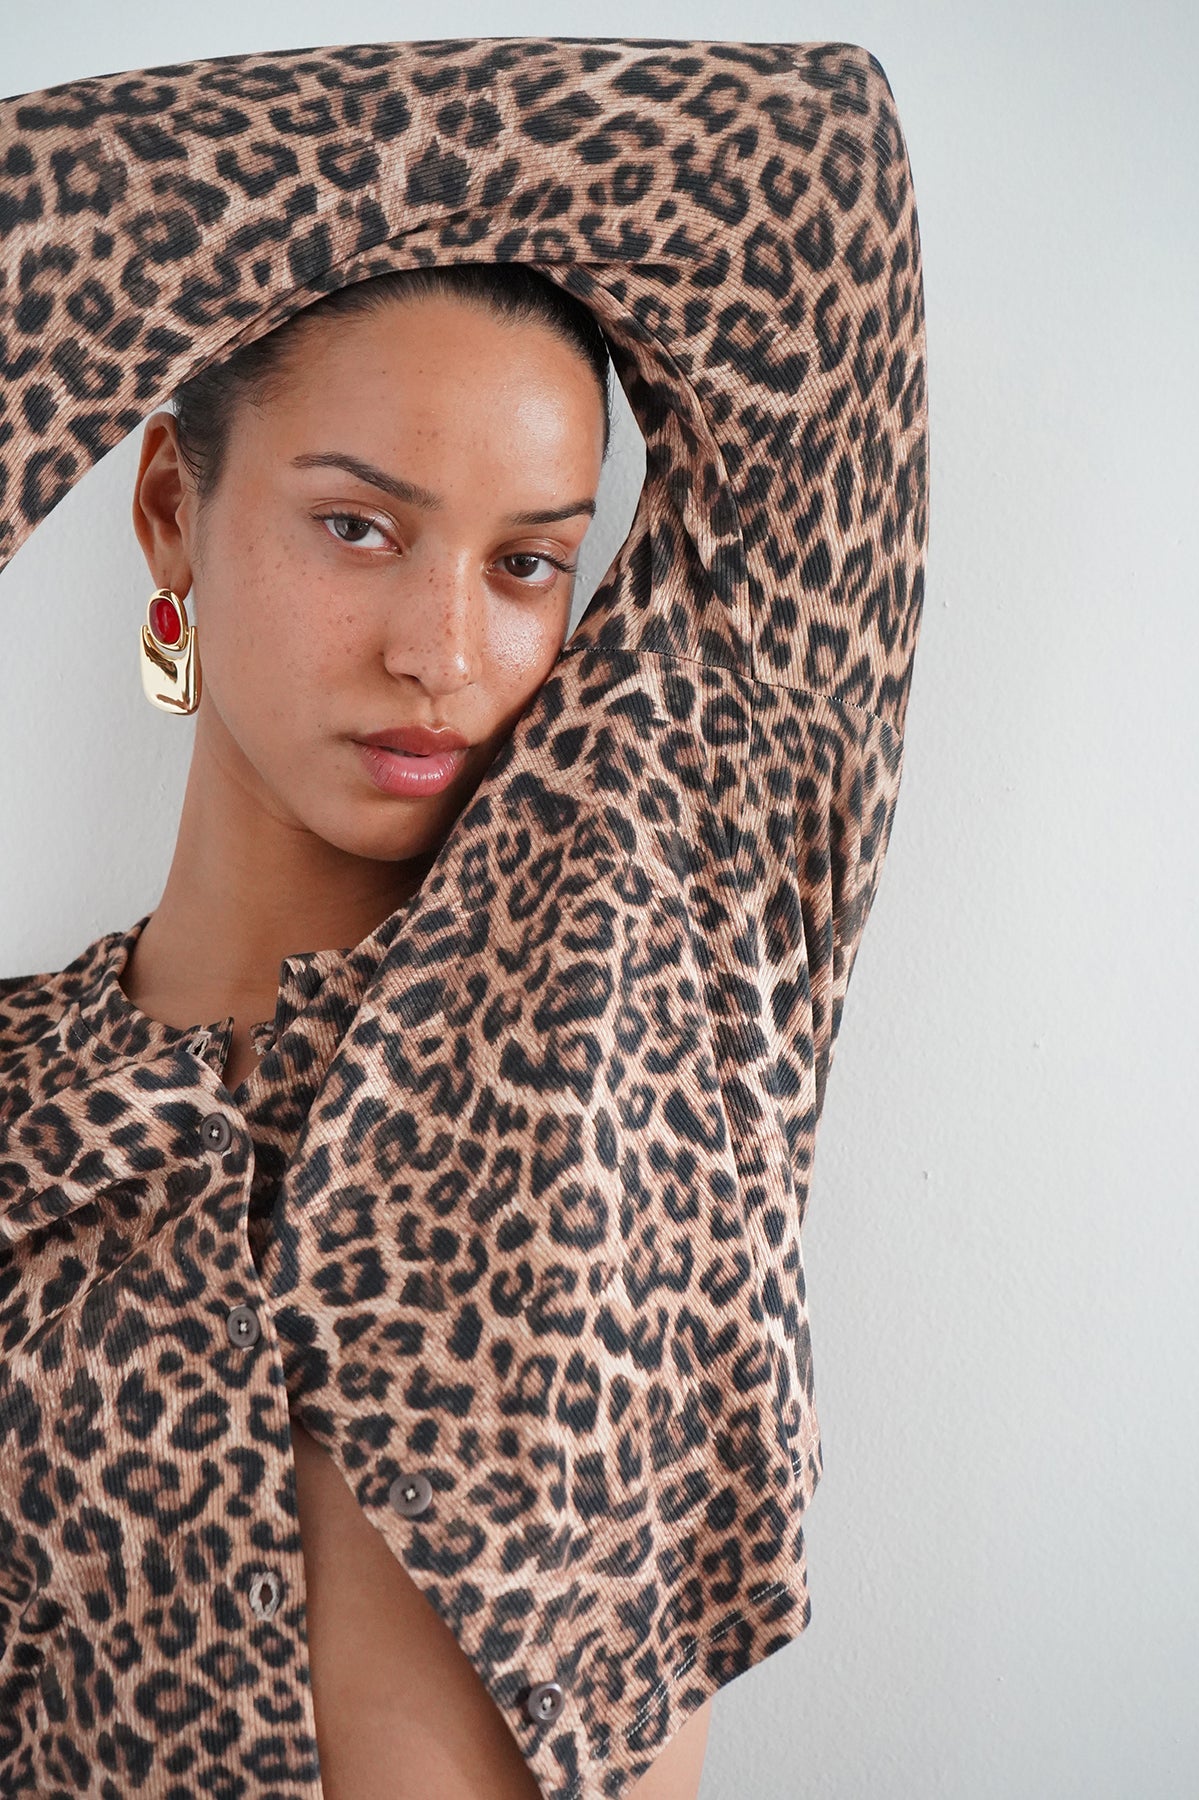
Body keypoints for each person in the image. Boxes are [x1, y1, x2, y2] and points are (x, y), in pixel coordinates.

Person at [0, 34, 928, 1800]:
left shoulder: (671, 944)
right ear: (172, 509)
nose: (443, 652)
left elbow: (805, 166)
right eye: (360, 527)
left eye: (526, 564)